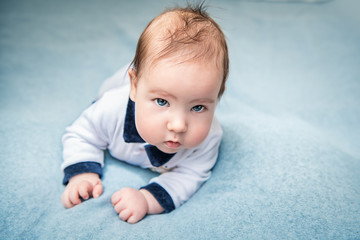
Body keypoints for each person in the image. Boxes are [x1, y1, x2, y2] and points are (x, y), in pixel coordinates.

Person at [61, 3, 229, 224]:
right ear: (135, 87)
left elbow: (189, 176)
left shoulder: (210, 137)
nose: (178, 125)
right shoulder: (111, 110)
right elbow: (81, 134)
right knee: (111, 91)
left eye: (198, 107)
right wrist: (82, 173)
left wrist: (147, 199)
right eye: (162, 101)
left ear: (217, 97)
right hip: (114, 88)